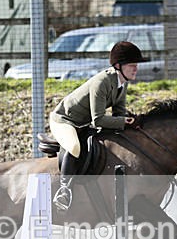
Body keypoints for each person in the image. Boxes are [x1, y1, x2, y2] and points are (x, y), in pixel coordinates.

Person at [49, 40, 148, 210]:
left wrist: (131, 120)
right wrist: (123, 122)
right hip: (64, 120)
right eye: (132, 65)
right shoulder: (102, 82)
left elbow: (119, 113)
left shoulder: (122, 83)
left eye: (136, 65)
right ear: (118, 66)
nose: (135, 69)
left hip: (83, 123)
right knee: (74, 146)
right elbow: (99, 120)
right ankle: (64, 191)